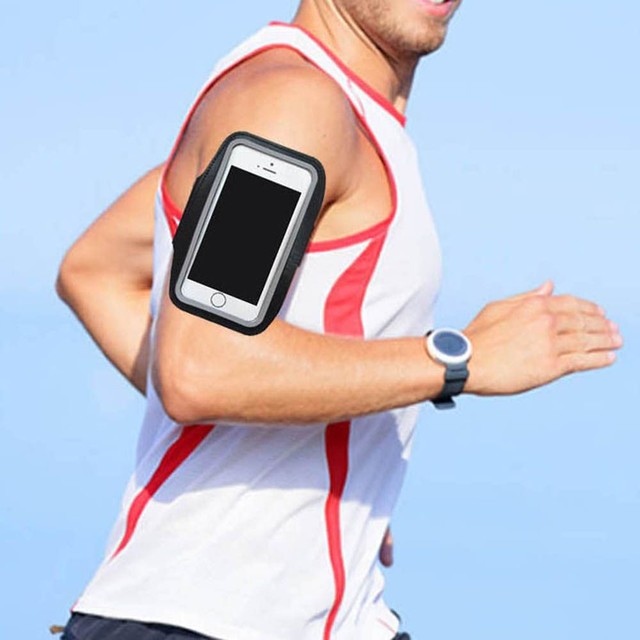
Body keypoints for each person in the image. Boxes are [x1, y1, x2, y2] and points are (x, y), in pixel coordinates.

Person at [55, 1, 623, 639]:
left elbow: (97, 270)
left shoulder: (329, 117)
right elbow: (201, 366)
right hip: (205, 619)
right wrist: (458, 359)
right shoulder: (290, 107)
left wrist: (319, 458)